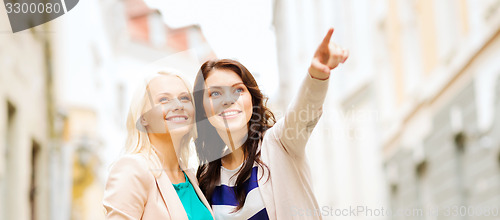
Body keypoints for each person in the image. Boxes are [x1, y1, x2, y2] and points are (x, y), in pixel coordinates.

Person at [193, 28, 348, 220]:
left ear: (251, 99)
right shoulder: (206, 180)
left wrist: (316, 76)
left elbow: (302, 113)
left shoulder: (279, 143)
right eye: (215, 93)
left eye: (238, 90)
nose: (227, 100)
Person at [103, 69, 214, 220]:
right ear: (143, 118)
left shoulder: (192, 177)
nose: (178, 105)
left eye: (184, 98)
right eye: (164, 100)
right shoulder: (132, 169)